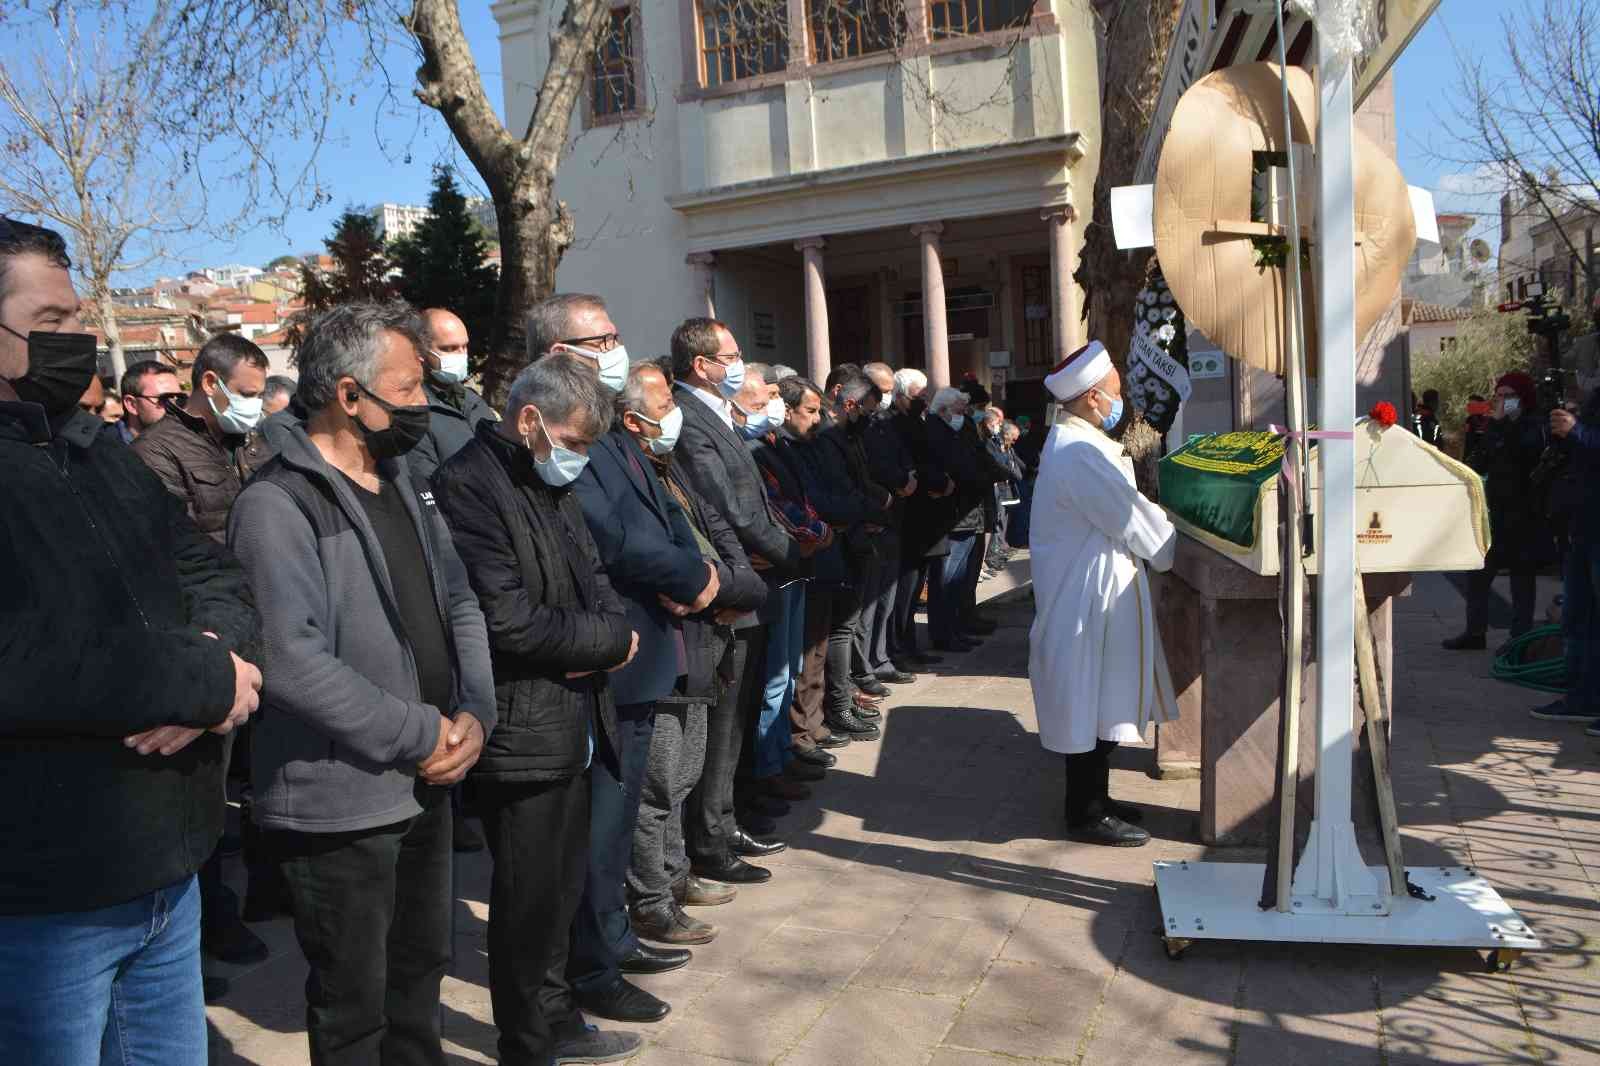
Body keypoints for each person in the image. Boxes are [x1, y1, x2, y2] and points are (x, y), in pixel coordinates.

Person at [0, 216, 263, 1062]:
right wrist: (200, 683)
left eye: (76, 318)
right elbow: (27, 655)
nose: (78, 341)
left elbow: (213, 573)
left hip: (166, 867)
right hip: (44, 901)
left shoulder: (94, 451)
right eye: (50, 326)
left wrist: (218, 658)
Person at [228, 302, 498, 1066]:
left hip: (433, 774)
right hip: (339, 801)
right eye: (409, 392)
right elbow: (292, 660)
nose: (424, 406)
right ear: (351, 396)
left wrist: (474, 714)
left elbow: (460, 601)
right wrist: (422, 733)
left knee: (419, 977)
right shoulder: (277, 504)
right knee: (356, 1002)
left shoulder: (406, 482)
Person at [431, 353, 642, 1066]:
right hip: (521, 731)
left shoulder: (548, 482)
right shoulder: (468, 485)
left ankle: (558, 1019)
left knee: (559, 894)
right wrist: (605, 640)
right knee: (525, 906)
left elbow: (597, 582)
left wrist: (605, 640)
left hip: (573, 716)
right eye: (575, 442)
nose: (579, 459)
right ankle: (528, 1045)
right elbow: (507, 620)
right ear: (530, 421)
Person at [564, 359, 723, 1023]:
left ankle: (616, 938)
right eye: (597, 339)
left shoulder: (619, 442)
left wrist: (708, 571)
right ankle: (597, 956)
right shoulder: (582, 447)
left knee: (626, 810)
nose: (612, 349)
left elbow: (666, 524)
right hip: (616, 650)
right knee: (609, 821)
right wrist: (694, 577)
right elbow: (615, 540)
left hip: (652, 641)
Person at [131, 332, 274, 968]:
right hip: (211, 636)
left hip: (263, 622)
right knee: (210, 787)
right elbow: (179, 560)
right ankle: (210, 921)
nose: (256, 406)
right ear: (210, 384)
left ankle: (270, 888)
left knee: (263, 769)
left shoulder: (249, 442)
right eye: (247, 394)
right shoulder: (156, 456)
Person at [620, 362, 770, 948]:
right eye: (663, 403)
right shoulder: (627, 475)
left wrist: (734, 587)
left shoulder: (672, 469)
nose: (673, 413)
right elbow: (664, 565)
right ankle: (651, 897)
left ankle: (677, 876)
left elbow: (723, 541)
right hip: (668, 644)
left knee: (684, 775)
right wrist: (712, 588)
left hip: (708, 633)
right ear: (633, 420)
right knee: (657, 784)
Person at [669, 318, 808, 885]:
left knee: (737, 717)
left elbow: (753, 501)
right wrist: (789, 553)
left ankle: (724, 821)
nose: (738, 361)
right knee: (722, 722)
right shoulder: (688, 418)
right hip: (735, 580)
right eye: (730, 354)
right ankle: (709, 836)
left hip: (753, 577)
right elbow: (726, 507)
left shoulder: (714, 413)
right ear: (701, 365)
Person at [1028, 341, 1179, 847]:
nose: (1121, 396)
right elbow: (1131, 518)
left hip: (1091, 590)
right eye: (1115, 387)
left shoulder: (1078, 443)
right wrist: (1170, 543)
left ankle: (1099, 800)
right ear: (1093, 398)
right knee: (1089, 702)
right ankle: (1085, 812)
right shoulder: (1079, 453)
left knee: (1100, 700)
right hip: (1085, 598)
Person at [1444, 371, 1550, 652]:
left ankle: (1520, 638)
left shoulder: (1534, 425)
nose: (1504, 401)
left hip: (1525, 513)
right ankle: (1475, 631)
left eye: (1510, 396)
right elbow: (1481, 459)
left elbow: (1526, 454)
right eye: (1500, 396)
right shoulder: (1495, 426)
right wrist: (1493, 430)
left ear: (1522, 398)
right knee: (1478, 573)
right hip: (1496, 513)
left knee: (1521, 580)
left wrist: (1507, 427)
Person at [924, 387, 1010, 651]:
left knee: (963, 577)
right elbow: (961, 467)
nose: (966, 415)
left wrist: (1005, 471)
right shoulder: (936, 431)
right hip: (953, 515)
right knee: (947, 580)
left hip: (971, 512)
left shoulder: (962, 429)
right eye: (961, 410)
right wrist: (986, 476)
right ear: (944, 410)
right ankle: (944, 633)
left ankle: (960, 625)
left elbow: (981, 457)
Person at [888, 368, 953, 666]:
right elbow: (913, 465)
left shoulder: (918, 421)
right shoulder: (894, 426)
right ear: (900, 397)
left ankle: (910, 643)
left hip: (926, 516)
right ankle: (900, 646)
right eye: (919, 395)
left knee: (915, 589)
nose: (924, 400)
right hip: (910, 518)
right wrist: (938, 483)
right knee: (905, 589)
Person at [408, 307, 498, 485]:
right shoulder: (413, 412)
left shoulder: (474, 401)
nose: (461, 355)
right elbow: (429, 485)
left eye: (464, 346)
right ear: (420, 352)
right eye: (449, 348)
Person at [525, 292, 631, 392]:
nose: (617, 348)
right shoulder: (535, 409)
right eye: (605, 340)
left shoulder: (624, 406)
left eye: (614, 338)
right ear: (559, 354)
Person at [119, 358, 183, 443]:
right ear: (132, 405)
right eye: (163, 399)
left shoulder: (188, 444)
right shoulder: (107, 451)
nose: (175, 407)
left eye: (179, 398)